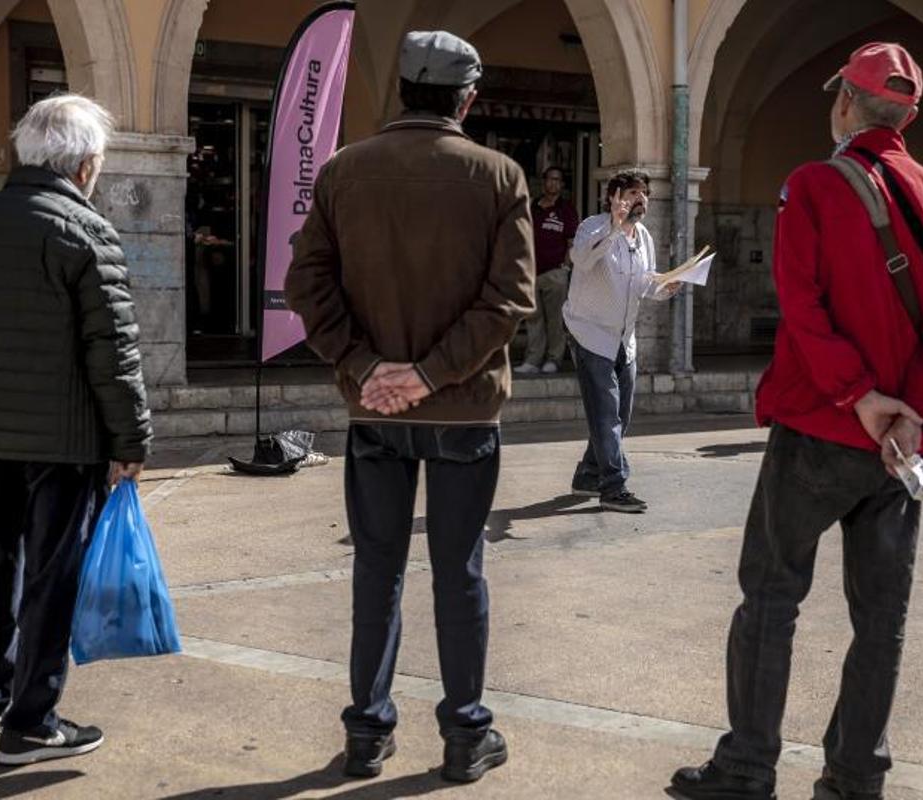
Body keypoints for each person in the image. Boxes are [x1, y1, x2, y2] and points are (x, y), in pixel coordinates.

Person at [671, 43, 923, 800]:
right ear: (909, 114)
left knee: (771, 597)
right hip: (897, 449)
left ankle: (746, 768)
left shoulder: (812, 184)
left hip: (820, 425)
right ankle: (855, 776)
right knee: (881, 618)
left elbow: (801, 305)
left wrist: (858, 395)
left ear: (847, 100)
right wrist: (918, 417)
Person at [284, 31, 535, 784]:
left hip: (374, 412)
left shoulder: (342, 172)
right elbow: (509, 300)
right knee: (459, 572)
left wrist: (368, 369)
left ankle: (367, 731)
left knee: (377, 570)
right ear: (467, 99)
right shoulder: (499, 175)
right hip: (463, 413)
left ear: (399, 90)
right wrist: (430, 375)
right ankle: (464, 734)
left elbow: (308, 288)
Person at [0, 94, 151, 766]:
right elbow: (114, 353)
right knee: (52, 578)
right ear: (84, 165)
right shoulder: (85, 233)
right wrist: (129, 442)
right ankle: (31, 721)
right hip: (66, 439)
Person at [562, 168, 680, 513]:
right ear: (612, 198)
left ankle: (588, 473)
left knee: (619, 415)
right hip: (589, 333)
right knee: (606, 415)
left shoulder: (643, 236)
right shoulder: (592, 227)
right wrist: (613, 227)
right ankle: (614, 486)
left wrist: (666, 287)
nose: (639, 199)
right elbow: (581, 259)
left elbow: (644, 282)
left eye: (643, 193)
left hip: (623, 339)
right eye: (631, 193)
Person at [514, 166, 578, 375]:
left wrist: (566, 267)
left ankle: (553, 359)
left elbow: (572, 242)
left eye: (557, 179)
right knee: (533, 320)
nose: (552, 183)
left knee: (555, 319)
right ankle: (532, 360)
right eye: (549, 179)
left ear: (562, 184)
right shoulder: (533, 207)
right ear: (543, 182)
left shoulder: (566, 210)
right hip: (530, 272)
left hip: (555, 273)